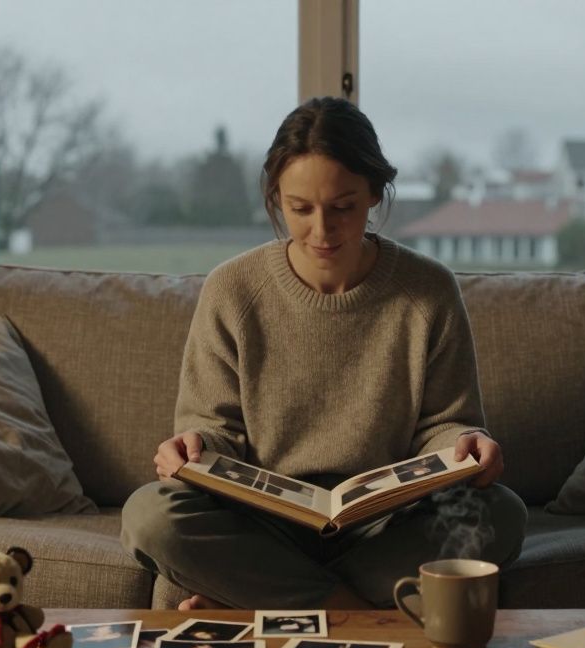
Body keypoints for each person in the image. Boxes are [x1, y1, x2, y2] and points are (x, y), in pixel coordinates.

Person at [120, 96, 528, 611]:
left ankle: (261, 594)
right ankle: (353, 608)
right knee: (149, 516)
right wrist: (192, 448)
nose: (322, 230)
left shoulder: (428, 292)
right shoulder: (232, 290)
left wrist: (468, 443)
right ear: (275, 198)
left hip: (384, 528)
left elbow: (445, 426)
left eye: (343, 207)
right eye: (300, 209)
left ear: (375, 195)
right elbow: (216, 430)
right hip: (264, 526)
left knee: (502, 515)